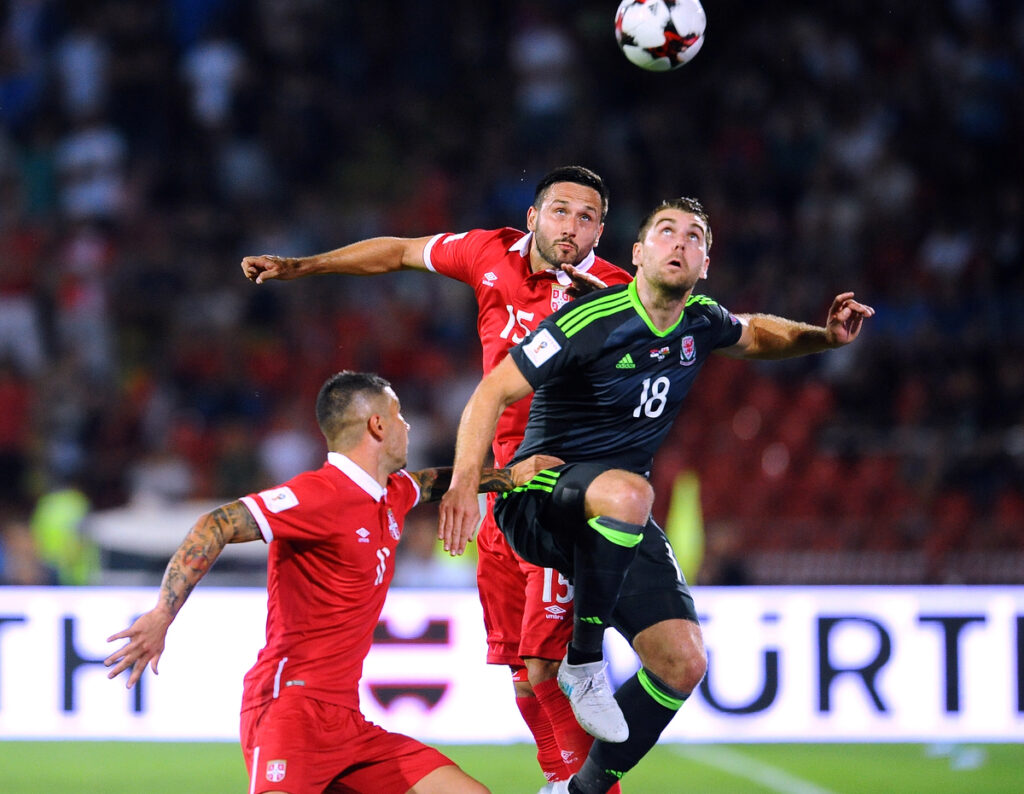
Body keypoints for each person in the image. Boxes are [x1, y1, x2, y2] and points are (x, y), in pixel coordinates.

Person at [437, 197, 875, 794]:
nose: (679, 243)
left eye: (693, 237)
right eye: (665, 232)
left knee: (683, 661)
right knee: (626, 499)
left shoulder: (700, 320)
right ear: (637, 254)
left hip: (617, 510)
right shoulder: (587, 321)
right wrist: (466, 482)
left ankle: (578, 791)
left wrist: (823, 337)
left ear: (704, 263)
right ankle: (585, 661)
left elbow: (757, 334)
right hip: (538, 499)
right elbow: (491, 392)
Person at [241, 166, 633, 785]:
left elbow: (689, 336)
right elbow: (396, 252)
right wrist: (302, 267)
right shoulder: (486, 253)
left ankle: (587, 786)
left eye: (587, 218)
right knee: (516, 666)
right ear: (532, 216)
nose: (571, 227)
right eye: (560, 211)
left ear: (601, 231)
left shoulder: (616, 293)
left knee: (545, 663)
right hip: (502, 487)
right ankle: (561, 778)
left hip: (559, 490)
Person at [104, 370, 557, 794]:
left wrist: (508, 477)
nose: (408, 426)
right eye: (399, 416)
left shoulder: (390, 493)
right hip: (289, 711)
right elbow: (216, 523)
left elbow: (431, 483)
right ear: (377, 425)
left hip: (349, 724)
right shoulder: (316, 495)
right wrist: (163, 614)